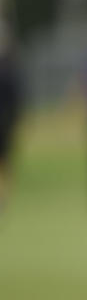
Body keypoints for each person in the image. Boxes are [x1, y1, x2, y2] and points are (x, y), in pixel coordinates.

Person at [0, 19, 21, 212]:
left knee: (5, 161)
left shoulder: (8, 68)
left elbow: (15, 98)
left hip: (4, 124)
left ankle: (4, 196)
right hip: (6, 122)